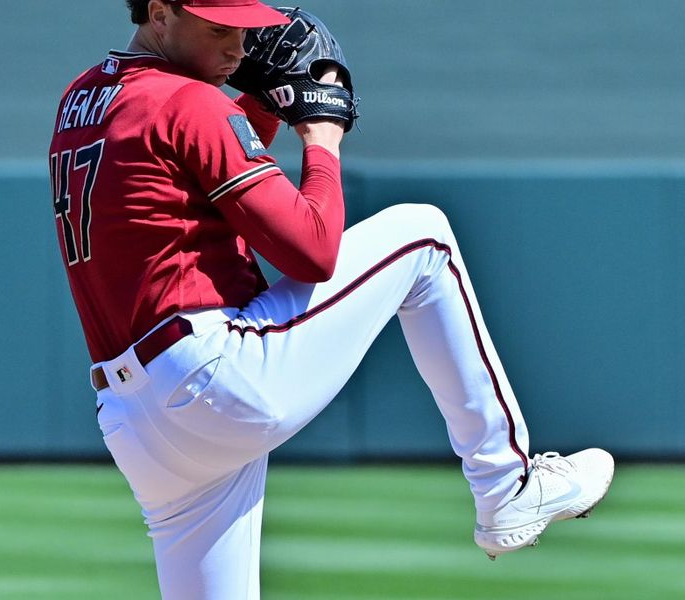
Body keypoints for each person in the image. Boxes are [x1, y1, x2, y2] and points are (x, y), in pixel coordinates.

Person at [48, 1, 615, 598]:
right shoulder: (190, 102)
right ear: (159, 12)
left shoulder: (82, 98)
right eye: (218, 28)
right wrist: (322, 139)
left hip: (136, 423)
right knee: (424, 236)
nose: (238, 48)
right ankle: (507, 486)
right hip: (213, 377)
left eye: (244, 29)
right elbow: (313, 250)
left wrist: (262, 107)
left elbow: (195, 184)